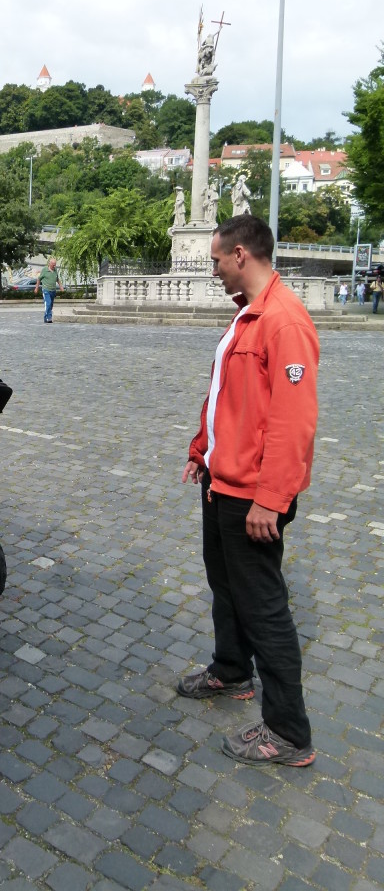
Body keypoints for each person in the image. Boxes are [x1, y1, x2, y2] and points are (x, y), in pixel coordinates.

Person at [178, 215, 319, 767]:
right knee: (226, 585)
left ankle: (288, 733)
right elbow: (225, 398)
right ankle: (231, 669)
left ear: (240, 254)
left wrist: (272, 498)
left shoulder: (283, 321)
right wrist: (201, 452)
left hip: (253, 495)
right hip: (224, 482)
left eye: (215, 260)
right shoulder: (247, 316)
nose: (212, 269)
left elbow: (294, 421)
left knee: (265, 610)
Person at [35, 257, 65, 323]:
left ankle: (46, 318)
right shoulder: (44, 270)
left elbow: (57, 279)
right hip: (46, 289)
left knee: (50, 305)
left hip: (53, 290)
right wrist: (36, 288)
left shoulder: (55, 270)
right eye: (53, 264)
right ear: (49, 264)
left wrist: (61, 287)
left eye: (55, 264)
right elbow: (39, 279)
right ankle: (49, 318)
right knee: (48, 303)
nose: (54, 266)